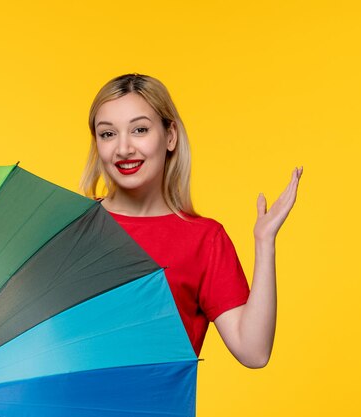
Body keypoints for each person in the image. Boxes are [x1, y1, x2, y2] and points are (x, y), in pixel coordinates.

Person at [81, 73, 302, 368]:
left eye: (140, 130)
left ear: (170, 136)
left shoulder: (203, 239)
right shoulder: (74, 227)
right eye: (108, 133)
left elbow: (254, 352)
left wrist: (265, 243)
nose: (123, 149)